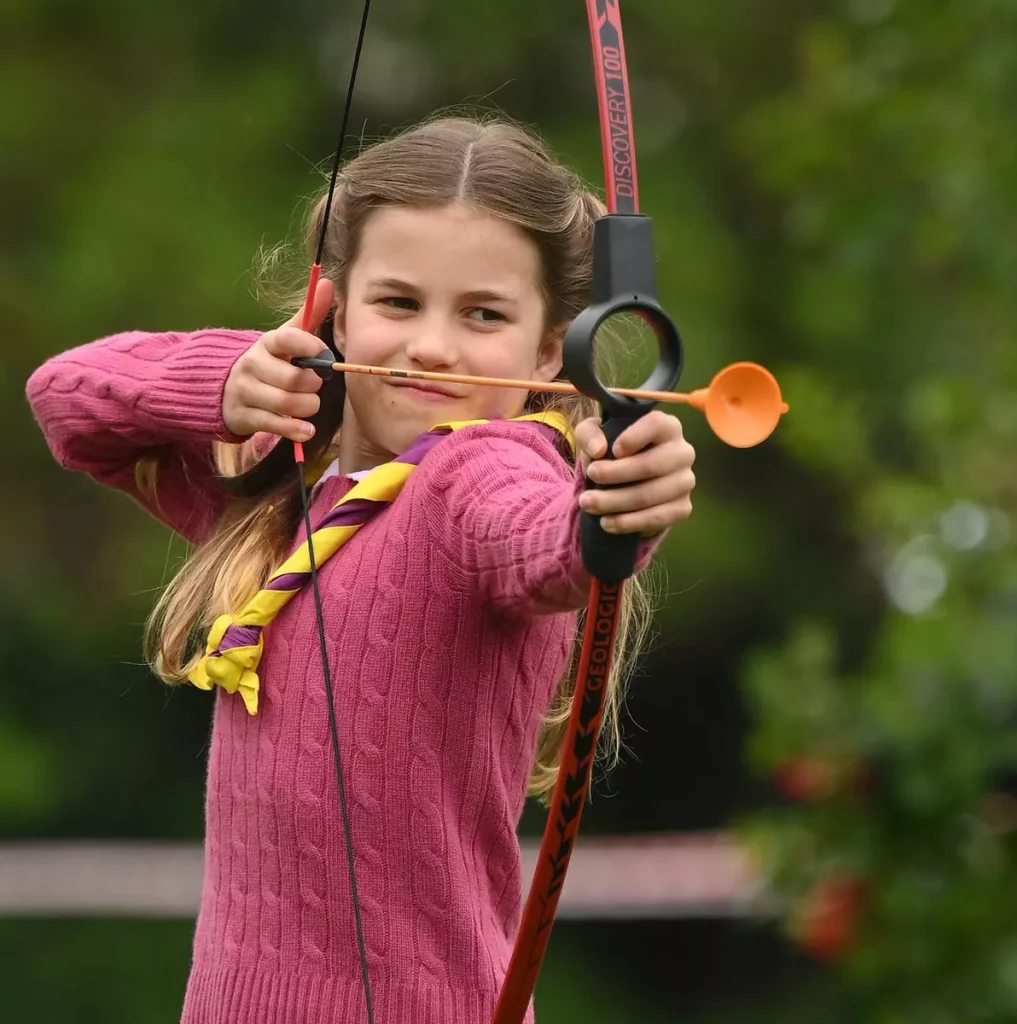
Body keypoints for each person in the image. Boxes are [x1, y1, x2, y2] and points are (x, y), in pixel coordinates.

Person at [26, 115, 696, 1024]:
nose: (430, 345)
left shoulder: (479, 471)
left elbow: (545, 543)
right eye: (398, 302)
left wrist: (619, 509)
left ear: (552, 352)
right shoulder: (277, 492)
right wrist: (231, 380)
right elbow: (66, 399)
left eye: (484, 315)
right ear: (332, 308)